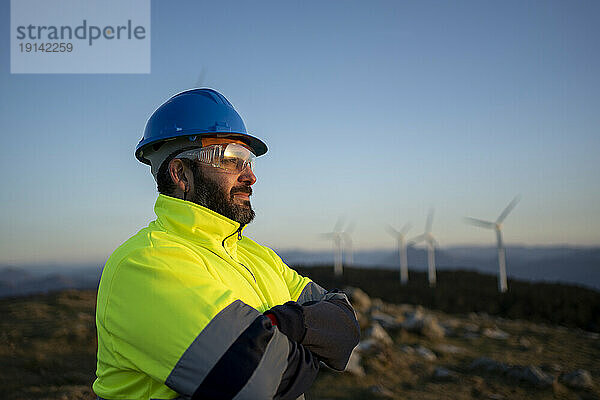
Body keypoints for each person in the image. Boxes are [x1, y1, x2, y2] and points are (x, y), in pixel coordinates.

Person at [93, 88, 360, 400]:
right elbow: (262, 381)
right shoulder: (145, 265)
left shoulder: (257, 255)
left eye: (248, 160)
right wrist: (306, 342)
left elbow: (344, 325)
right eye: (231, 158)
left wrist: (286, 325)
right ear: (181, 173)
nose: (250, 176)